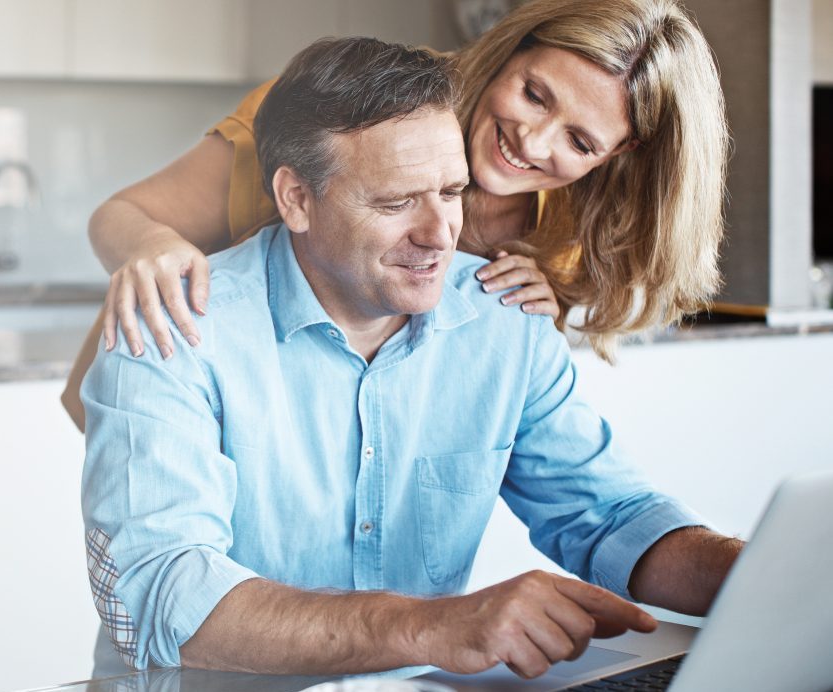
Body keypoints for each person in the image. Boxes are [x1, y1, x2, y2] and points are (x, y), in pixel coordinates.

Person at [80, 37, 742, 677]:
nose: (439, 236)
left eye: (453, 193)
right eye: (396, 203)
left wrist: (770, 571)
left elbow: (611, 520)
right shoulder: (170, 328)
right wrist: (433, 625)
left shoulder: (508, 321)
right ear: (296, 198)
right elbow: (161, 594)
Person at [61, 0, 728, 431]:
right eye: (533, 94)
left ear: (621, 154)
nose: (534, 141)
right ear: (511, 49)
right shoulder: (338, 118)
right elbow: (121, 214)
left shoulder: (568, 233)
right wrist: (149, 242)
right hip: (178, 421)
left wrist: (538, 308)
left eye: (580, 143)